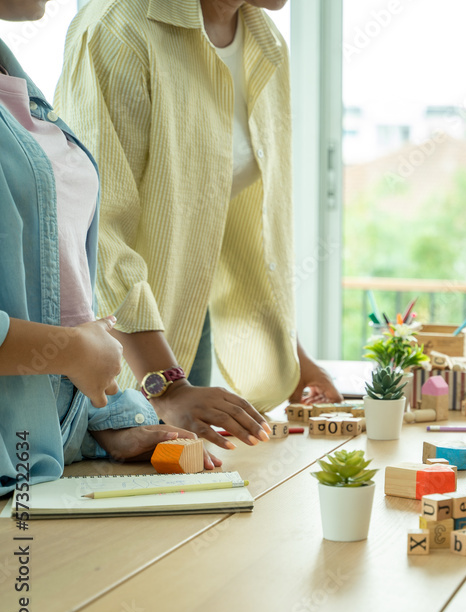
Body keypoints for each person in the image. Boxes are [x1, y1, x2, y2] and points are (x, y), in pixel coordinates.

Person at [54, 0, 341, 453]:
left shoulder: (263, 42)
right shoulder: (119, 25)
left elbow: (240, 232)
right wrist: (166, 385)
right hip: (114, 347)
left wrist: (295, 359)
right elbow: (96, 229)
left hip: (185, 324)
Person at [0, 0, 215, 496]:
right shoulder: (114, 30)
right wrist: (72, 349)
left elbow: (61, 293)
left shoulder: (12, 76)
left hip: (48, 458)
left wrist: (106, 419)